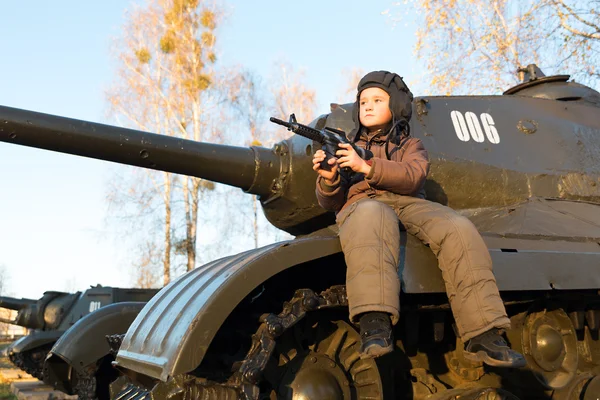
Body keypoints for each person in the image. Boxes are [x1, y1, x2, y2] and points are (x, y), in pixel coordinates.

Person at [313, 70, 526, 367]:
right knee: (371, 215)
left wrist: (367, 165)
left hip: (408, 202)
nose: (368, 106)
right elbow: (331, 203)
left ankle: (483, 333)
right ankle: (375, 322)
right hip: (364, 204)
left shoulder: (411, 146)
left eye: (377, 100)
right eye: (363, 102)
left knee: (457, 227)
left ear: (397, 106)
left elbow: (413, 177)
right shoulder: (345, 146)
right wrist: (329, 179)